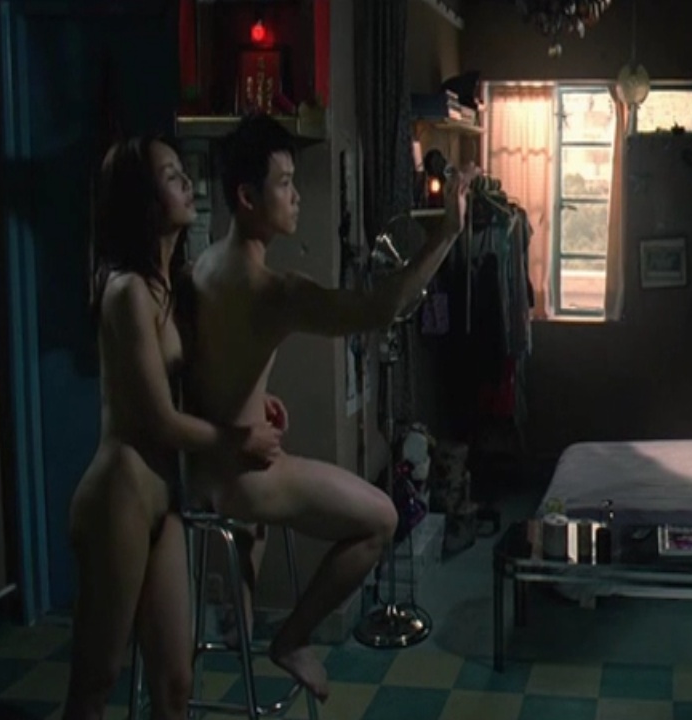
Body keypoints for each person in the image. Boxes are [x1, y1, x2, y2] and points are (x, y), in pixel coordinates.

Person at [183, 113, 478, 701]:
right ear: (247, 197)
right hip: (244, 478)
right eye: (284, 183)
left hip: (204, 469)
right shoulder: (273, 290)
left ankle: (239, 620)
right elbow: (379, 310)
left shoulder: (205, 265)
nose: (296, 195)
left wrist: (253, 398)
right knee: (382, 519)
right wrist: (446, 234)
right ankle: (291, 638)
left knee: (281, 524)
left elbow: (206, 364)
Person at [63, 136, 284, 720]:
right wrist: (240, 442)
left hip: (164, 497)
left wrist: (255, 402)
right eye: (170, 175)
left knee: (176, 680)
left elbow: (199, 381)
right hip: (120, 492)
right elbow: (158, 420)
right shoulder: (126, 292)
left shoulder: (176, 285)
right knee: (97, 678)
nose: (187, 182)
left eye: (184, 172)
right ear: (141, 199)